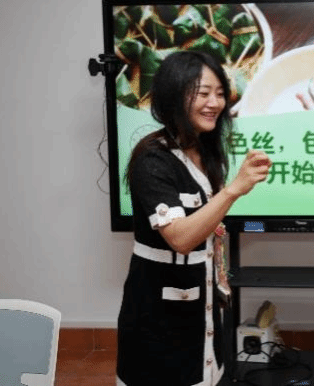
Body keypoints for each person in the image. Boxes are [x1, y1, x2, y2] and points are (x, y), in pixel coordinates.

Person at [116, 51, 272, 386]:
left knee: (206, 374)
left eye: (220, 93)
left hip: (203, 303)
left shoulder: (206, 151)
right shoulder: (152, 159)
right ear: (174, 96)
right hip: (158, 314)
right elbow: (181, 238)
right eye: (203, 93)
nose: (214, 103)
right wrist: (233, 191)